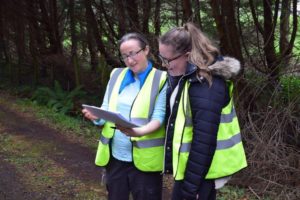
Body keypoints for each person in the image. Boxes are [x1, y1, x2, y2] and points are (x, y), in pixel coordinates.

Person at [158, 22, 247, 200]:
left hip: (201, 176)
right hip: (193, 172)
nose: (165, 65)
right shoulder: (189, 77)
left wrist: (192, 189)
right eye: (161, 58)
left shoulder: (206, 85)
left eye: (167, 60)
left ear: (188, 55)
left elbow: (203, 142)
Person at [82, 32, 167, 200]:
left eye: (133, 53)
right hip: (115, 158)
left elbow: (159, 116)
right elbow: (106, 107)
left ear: (146, 50)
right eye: (125, 56)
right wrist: (96, 118)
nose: (130, 60)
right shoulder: (116, 75)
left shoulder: (162, 78)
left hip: (145, 162)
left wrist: (138, 132)